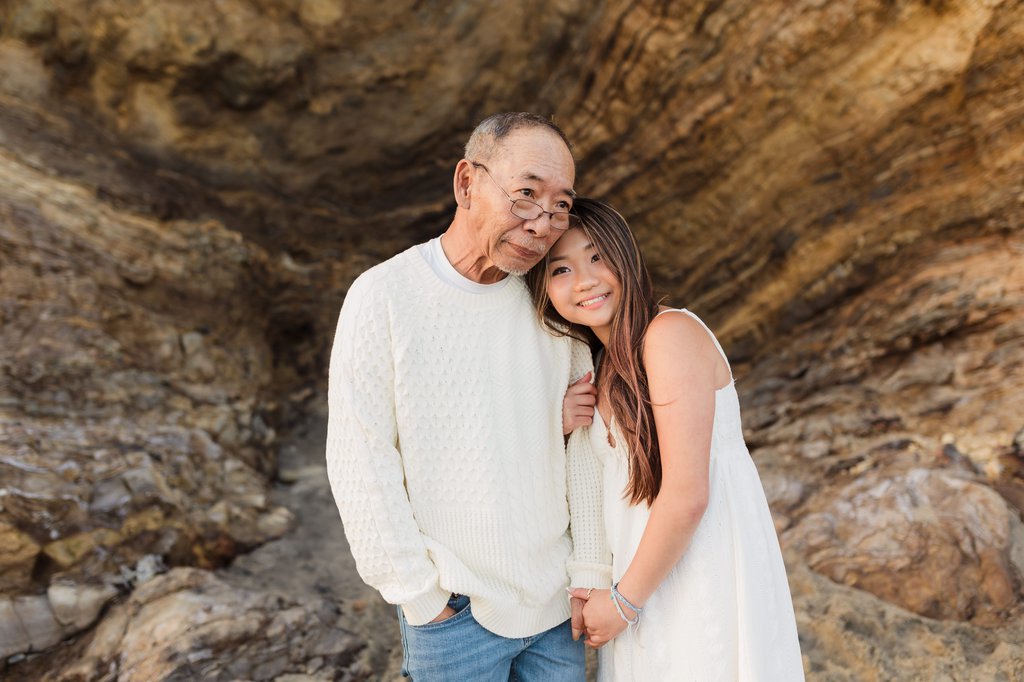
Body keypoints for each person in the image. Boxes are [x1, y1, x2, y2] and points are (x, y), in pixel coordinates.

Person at [325, 112, 608, 681]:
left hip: (556, 613)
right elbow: (361, 460)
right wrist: (421, 599)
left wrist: (592, 572)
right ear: (466, 183)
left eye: (560, 205)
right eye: (526, 194)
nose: (544, 223)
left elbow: (582, 453)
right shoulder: (383, 296)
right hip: (454, 619)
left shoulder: (551, 302)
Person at [528, 198, 805, 681]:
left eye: (597, 257)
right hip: (649, 584)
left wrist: (623, 603)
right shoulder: (603, 366)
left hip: (697, 576)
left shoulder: (669, 333)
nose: (585, 280)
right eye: (561, 269)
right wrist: (564, 425)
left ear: (626, 256)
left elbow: (686, 494)